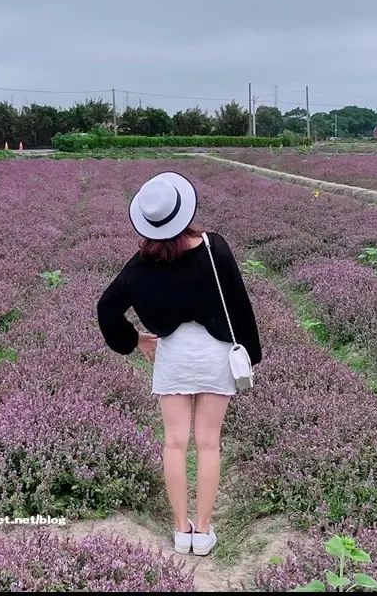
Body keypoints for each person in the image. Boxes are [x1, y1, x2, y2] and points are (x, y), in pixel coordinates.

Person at [97, 172, 261, 557]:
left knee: (174, 443)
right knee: (208, 444)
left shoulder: (138, 266)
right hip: (216, 353)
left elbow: (106, 308)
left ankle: (179, 530)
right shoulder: (214, 247)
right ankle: (203, 532)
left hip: (171, 356)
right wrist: (250, 354)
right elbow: (239, 303)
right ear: (183, 211)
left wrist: (134, 339)